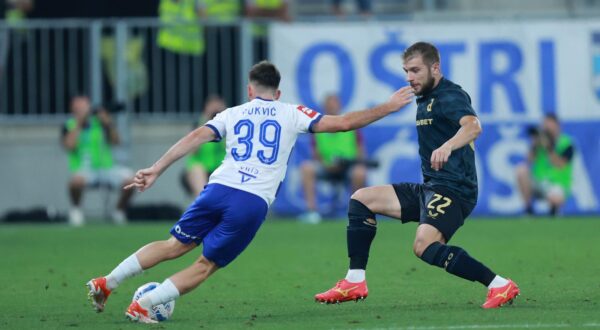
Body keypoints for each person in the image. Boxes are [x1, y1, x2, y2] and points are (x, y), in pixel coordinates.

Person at [85, 61, 415, 323]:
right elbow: (343, 123)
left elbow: (194, 137)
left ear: (250, 89)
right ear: (278, 90)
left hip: (217, 188)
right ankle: (145, 305)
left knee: (174, 245)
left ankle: (107, 282)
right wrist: (387, 107)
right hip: (250, 200)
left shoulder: (232, 113)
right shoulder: (292, 112)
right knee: (205, 265)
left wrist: (156, 168)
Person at [315, 42, 520, 309]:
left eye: (415, 70)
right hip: (432, 188)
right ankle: (355, 280)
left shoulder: (451, 95)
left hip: (455, 191)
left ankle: (499, 285)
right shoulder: (424, 97)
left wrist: (447, 145)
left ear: (435, 67)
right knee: (362, 199)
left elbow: (473, 126)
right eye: (406, 71)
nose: (409, 77)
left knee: (424, 246)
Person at [61, 95, 135, 226]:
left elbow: (116, 141)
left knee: (132, 180)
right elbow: (69, 146)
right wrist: (79, 123)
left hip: (107, 168)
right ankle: (76, 210)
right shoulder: (69, 125)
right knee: (75, 182)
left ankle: (119, 212)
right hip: (84, 170)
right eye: (79, 107)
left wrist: (108, 123)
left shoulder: (99, 123)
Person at [299, 94, 367, 223]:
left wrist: (349, 163)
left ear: (340, 106)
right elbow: (315, 154)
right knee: (306, 168)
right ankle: (312, 212)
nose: (332, 108)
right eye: (329, 105)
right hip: (326, 167)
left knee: (359, 172)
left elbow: (360, 152)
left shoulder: (351, 126)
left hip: (348, 167)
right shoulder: (317, 126)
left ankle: (356, 213)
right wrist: (327, 164)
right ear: (324, 107)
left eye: (334, 104)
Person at [516, 114, 575, 216]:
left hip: (557, 184)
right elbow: (529, 161)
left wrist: (548, 147)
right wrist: (534, 145)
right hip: (539, 182)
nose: (546, 129)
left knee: (555, 197)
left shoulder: (567, 143)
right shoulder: (539, 143)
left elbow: (559, 164)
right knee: (521, 170)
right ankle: (528, 210)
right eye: (545, 125)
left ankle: (554, 210)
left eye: (549, 125)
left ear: (557, 126)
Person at [183, 95, 227, 197]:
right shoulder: (198, 125)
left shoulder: (229, 126)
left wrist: (224, 117)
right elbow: (193, 150)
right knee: (198, 170)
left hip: (221, 168)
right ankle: (203, 202)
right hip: (201, 169)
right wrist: (206, 119)